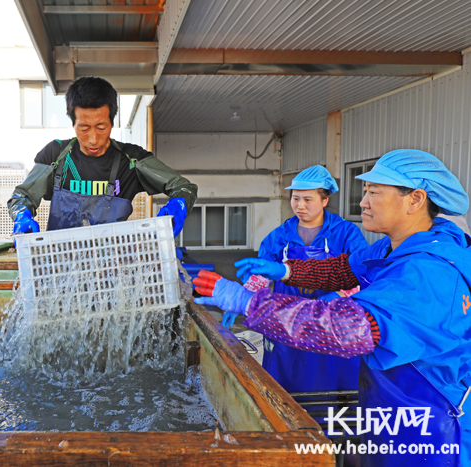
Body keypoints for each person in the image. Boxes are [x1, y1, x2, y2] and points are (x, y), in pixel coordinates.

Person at [193, 149, 471, 466]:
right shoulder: (403, 242)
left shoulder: (428, 274)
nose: (363, 202)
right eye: (364, 192)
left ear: (415, 199)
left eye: (374, 193)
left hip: (430, 426)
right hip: (392, 407)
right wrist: (286, 271)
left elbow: (343, 329)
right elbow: (345, 269)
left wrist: (246, 302)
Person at [7, 76, 197, 235]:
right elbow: (22, 196)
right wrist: (22, 216)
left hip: (111, 268)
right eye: (84, 128)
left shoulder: (132, 160)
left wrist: (176, 208)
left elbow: (183, 188)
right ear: (73, 123)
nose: (93, 139)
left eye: (101, 127)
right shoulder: (56, 156)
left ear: (112, 122)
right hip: (60, 266)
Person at [247, 165, 368, 393]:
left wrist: (341, 294)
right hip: (287, 321)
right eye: (295, 198)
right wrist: (245, 301)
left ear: (325, 200)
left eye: (308, 199)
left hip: (331, 322)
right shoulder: (279, 236)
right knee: (284, 385)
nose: (300, 206)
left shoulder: (346, 233)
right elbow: (260, 277)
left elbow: (363, 275)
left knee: (331, 384)